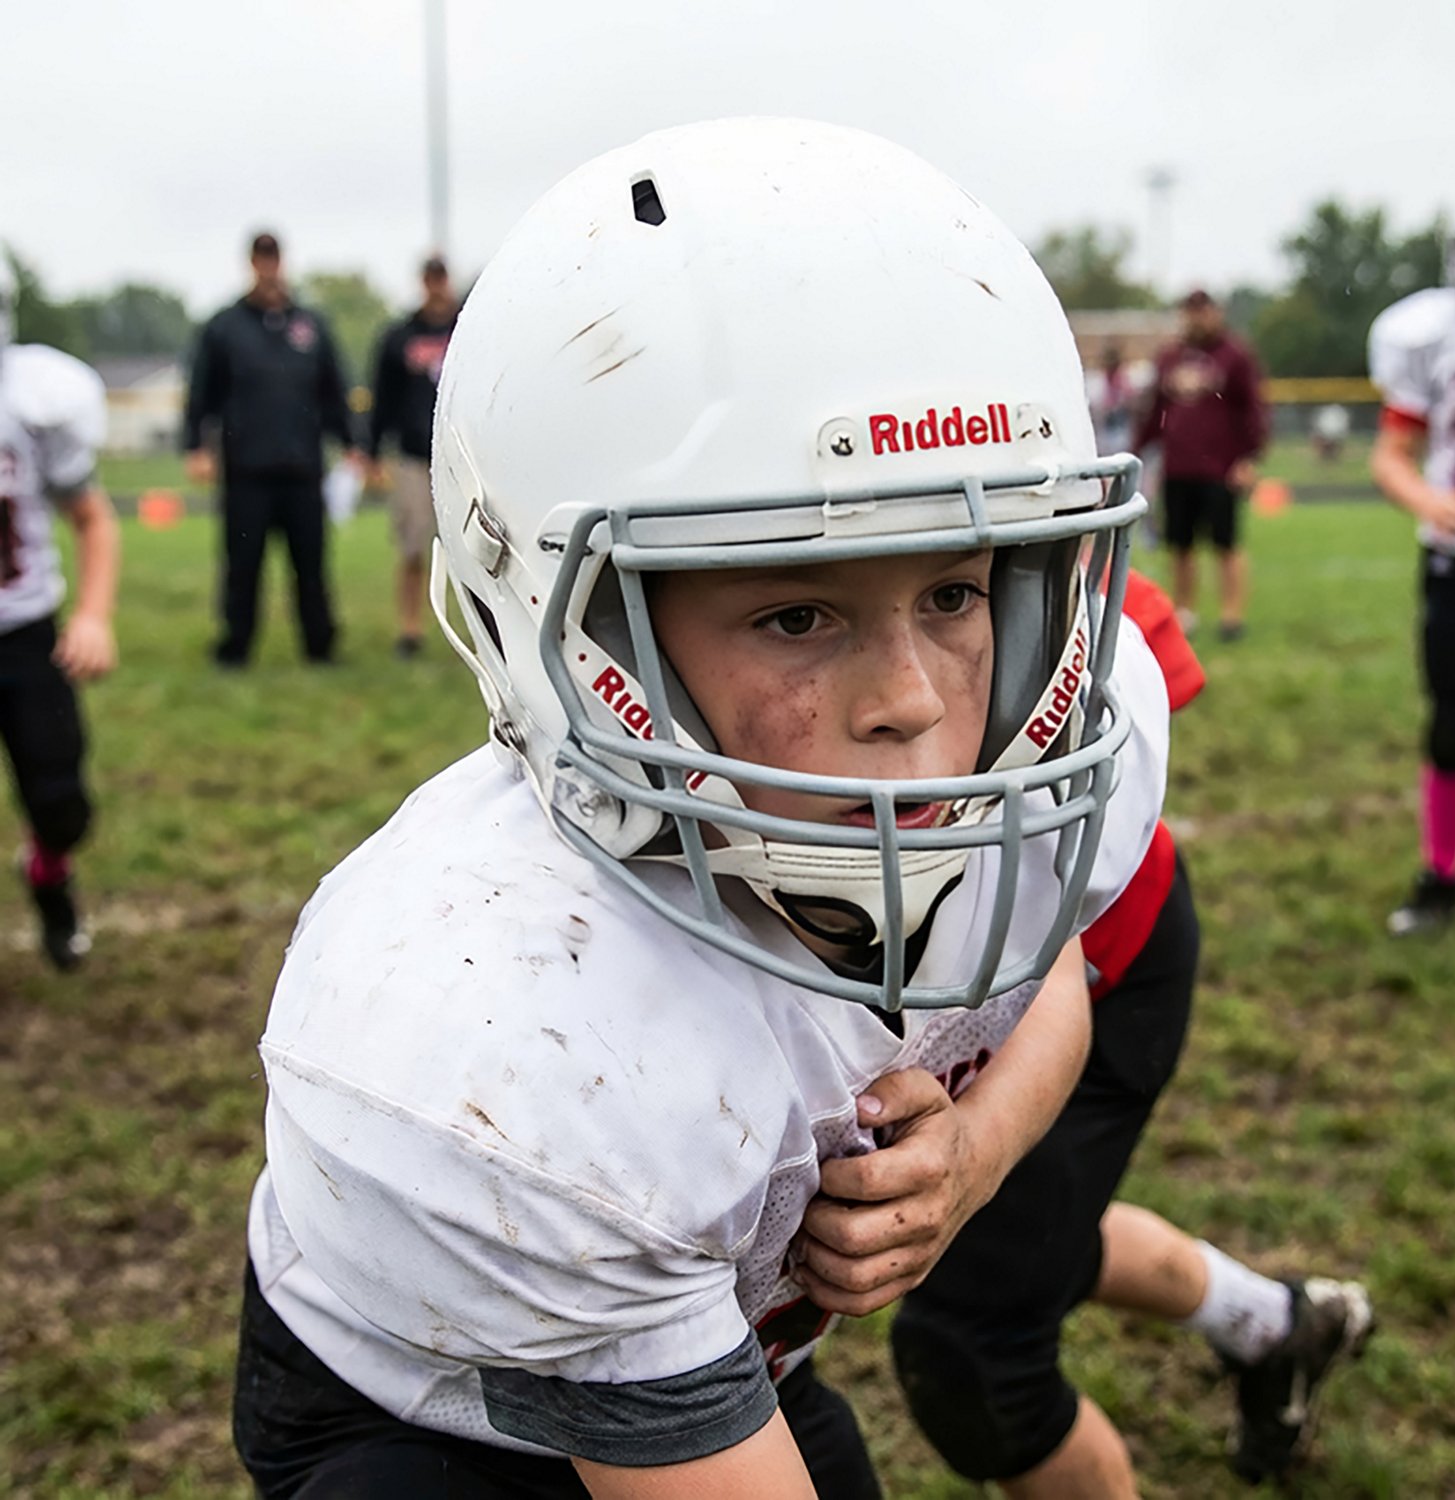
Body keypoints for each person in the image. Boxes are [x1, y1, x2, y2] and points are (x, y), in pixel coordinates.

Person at [231, 119, 1174, 1498]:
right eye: (797, 612)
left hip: (731, 1348)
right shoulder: (503, 1029)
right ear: (577, 627)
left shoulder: (1035, 747)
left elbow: (1049, 974)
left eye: (957, 592)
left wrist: (970, 1153)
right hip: (432, 1415)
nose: (910, 701)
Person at [797, 572, 1372, 1494]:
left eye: (950, 600)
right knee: (1032, 1236)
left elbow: (1136, 640)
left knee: (979, 1353)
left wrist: (980, 1150)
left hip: (1093, 967)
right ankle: (1275, 1325)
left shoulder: (1017, 546)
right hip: (928, 982)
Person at [1369, 157, 1455, 935]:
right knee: (1453, 722)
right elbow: (1390, 453)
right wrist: (1424, 496)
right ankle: (1441, 874)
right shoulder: (1435, 334)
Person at [0, 258, 120, 969]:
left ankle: (48, 871)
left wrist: (94, 614)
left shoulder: (28, 400)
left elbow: (93, 518)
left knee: (62, 803)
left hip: (24, 630)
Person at [183, 232, 354, 667]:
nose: (268, 266)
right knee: (242, 566)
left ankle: (320, 646)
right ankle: (235, 646)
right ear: (251, 263)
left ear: (282, 261)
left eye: (273, 257)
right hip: (246, 471)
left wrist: (353, 444)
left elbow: (334, 392)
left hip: (302, 467)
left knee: (311, 565)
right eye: (261, 258)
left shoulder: (310, 326)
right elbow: (201, 393)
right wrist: (195, 447)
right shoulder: (225, 327)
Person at [1133, 289, 1267, 641]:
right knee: (1180, 545)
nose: (1196, 317)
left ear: (1215, 313)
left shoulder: (1234, 355)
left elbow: (1254, 409)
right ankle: (1184, 613)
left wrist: (1249, 458)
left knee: (1225, 544)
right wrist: (1135, 450)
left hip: (1220, 468)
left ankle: (1231, 617)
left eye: (1203, 310)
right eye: (1190, 311)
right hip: (1178, 468)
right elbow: (1154, 412)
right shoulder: (1170, 357)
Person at [362, 253, 461, 656]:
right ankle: (410, 628)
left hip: (460, 458)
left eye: (441, 277)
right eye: (430, 278)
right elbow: (382, 398)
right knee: (412, 548)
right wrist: (370, 451)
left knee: (474, 552)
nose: (436, 286)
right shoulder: (400, 336)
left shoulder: (468, 328)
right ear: (423, 282)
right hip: (413, 457)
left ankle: (486, 632)